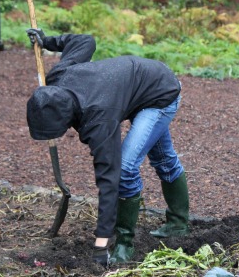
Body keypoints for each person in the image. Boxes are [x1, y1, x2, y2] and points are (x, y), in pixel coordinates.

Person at [25, 29, 190, 267]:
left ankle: (125, 241)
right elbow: (84, 41)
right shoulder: (59, 77)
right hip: (134, 87)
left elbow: (108, 178)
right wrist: (47, 41)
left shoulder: (99, 119)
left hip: (160, 93)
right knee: (162, 160)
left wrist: (101, 243)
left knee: (125, 168)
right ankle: (178, 223)